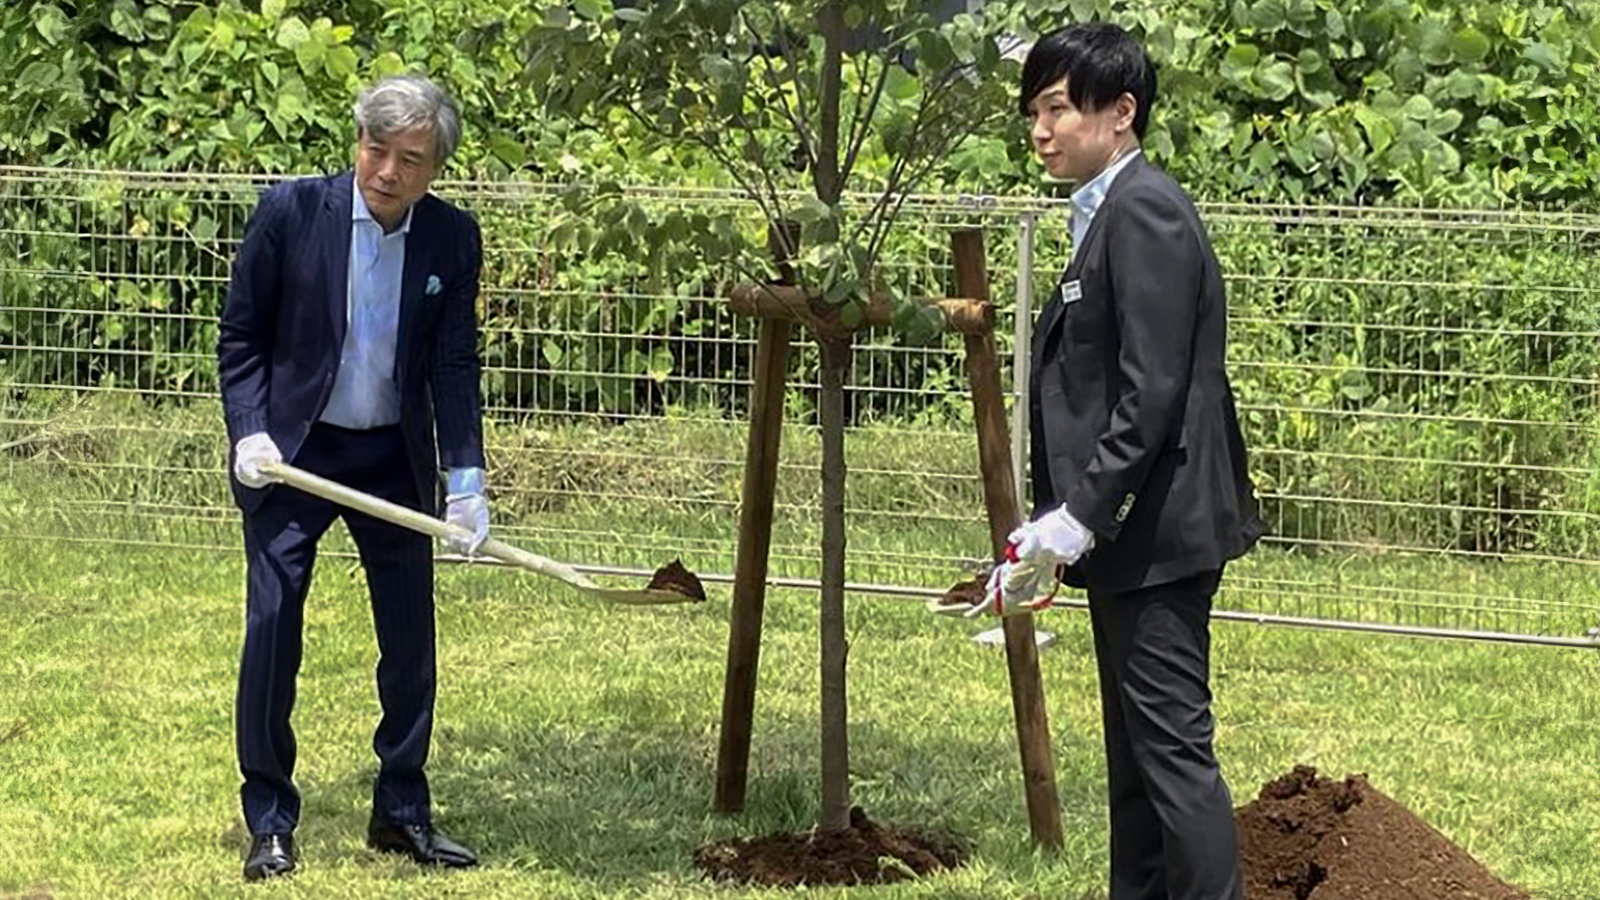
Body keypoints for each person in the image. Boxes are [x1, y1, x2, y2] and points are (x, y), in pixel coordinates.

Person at [980, 22, 1264, 900]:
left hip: (1159, 531)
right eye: (1033, 110)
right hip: (1132, 534)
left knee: (1173, 761)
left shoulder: (1143, 211)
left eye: (1059, 108)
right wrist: (1069, 526)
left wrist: (1074, 517)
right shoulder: (1111, 213)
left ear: (1122, 111)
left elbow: (1152, 391)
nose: (1040, 129)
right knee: (1139, 768)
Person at [217, 73, 490, 882]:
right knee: (272, 631)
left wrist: (466, 476)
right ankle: (269, 818)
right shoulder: (290, 213)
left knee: (410, 642)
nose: (387, 171)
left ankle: (401, 809)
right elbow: (241, 339)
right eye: (376, 148)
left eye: (410, 158)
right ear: (356, 143)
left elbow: (453, 362)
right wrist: (251, 431)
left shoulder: (451, 239)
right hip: (294, 454)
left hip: (392, 458)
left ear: (435, 167)